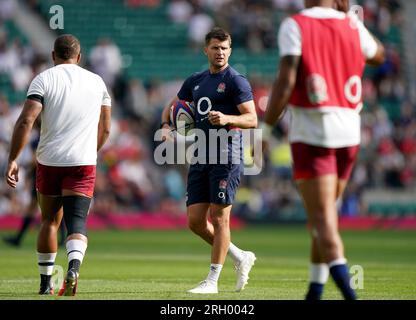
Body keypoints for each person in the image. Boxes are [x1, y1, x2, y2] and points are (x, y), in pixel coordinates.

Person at [260, 0, 385, 300]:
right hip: (349, 134)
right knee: (324, 218)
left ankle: (350, 296)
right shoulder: (352, 24)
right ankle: (314, 292)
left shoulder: (296, 24)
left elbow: (286, 80)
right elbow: (379, 55)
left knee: (323, 222)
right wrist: (351, 23)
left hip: (314, 133)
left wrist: (265, 129)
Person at [5, 34, 112, 296]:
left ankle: (45, 285)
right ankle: (73, 268)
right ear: (79, 56)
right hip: (83, 163)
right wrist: (91, 151)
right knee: (76, 222)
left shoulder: (43, 78)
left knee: (49, 222)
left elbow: (25, 121)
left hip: (50, 161)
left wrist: (13, 159)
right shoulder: (97, 82)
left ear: (54, 56)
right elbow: (106, 128)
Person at [160, 27, 258, 294]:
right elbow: (173, 105)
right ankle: (239, 256)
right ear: (206, 50)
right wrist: (166, 125)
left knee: (219, 218)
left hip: (227, 154)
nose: (220, 53)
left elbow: (252, 119)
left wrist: (228, 119)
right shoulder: (196, 80)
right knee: (194, 221)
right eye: (215, 48)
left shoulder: (237, 81)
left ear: (230, 50)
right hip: (201, 154)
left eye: (225, 48)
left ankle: (212, 281)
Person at [3, 122, 66, 248]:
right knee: (55, 207)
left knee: (35, 208)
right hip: (49, 175)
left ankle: (19, 238)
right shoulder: (53, 137)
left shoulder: (37, 140)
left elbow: (36, 160)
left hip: (42, 176)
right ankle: (62, 238)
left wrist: (23, 164)